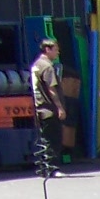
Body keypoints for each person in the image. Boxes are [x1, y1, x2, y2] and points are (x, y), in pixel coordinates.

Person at [29, 38, 66, 172]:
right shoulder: (47, 67)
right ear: (47, 49)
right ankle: (52, 168)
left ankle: (44, 167)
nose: (58, 52)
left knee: (44, 138)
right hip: (49, 109)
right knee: (53, 139)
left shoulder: (36, 64)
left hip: (38, 107)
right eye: (55, 49)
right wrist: (60, 107)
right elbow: (52, 89)